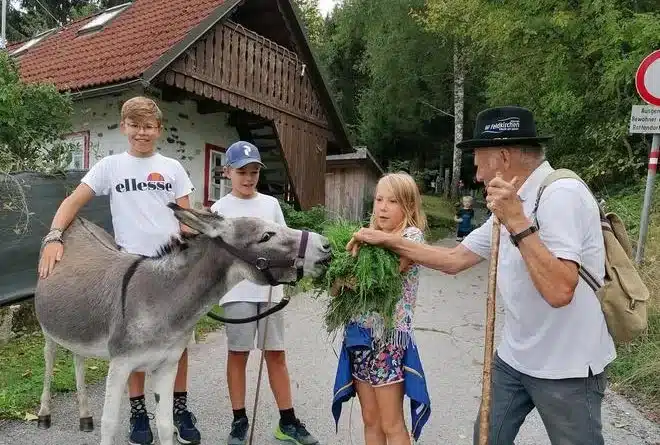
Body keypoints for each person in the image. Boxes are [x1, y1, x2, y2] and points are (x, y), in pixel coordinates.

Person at [347, 106, 615, 445]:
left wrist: (517, 222)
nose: (476, 174)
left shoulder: (561, 195)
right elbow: (454, 259)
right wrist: (386, 239)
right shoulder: (511, 201)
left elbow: (561, 290)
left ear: (503, 156)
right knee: (486, 439)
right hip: (514, 359)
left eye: (478, 162)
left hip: (567, 367)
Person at [37, 96, 202, 445]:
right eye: (134, 125)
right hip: (131, 271)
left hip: (171, 269)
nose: (141, 132)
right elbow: (72, 202)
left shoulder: (172, 168)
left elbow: (187, 221)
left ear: (158, 129)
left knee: (179, 341)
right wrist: (54, 236)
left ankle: (180, 407)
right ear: (124, 127)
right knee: (132, 347)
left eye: (148, 126)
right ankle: (138, 412)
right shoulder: (109, 166)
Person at [209, 141, 319, 445]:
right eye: (242, 171)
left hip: (270, 291)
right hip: (237, 293)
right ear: (228, 172)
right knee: (238, 354)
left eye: (254, 172)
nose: (248, 178)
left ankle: (288, 421)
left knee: (276, 354)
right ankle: (239, 420)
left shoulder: (270, 204)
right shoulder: (219, 210)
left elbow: (285, 242)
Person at [331, 172, 431, 445]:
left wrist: (346, 278)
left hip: (389, 342)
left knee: (391, 423)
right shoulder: (365, 239)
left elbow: (380, 278)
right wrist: (335, 276)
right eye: (379, 199)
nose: (383, 207)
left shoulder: (411, 237)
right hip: (360, 339)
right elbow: (335, 288)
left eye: (393, 201)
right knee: (370, 420)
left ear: (409, 207)